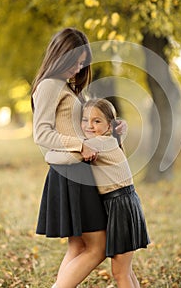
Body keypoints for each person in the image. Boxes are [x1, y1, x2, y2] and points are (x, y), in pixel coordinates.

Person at [31, 28, 127, 288]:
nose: (78, 67)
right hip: (72, 174)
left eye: (82, 62)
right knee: (97, 248)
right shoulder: (50, 85)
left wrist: (111, 132)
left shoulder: (67, 88)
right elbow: (41, 133)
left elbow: (79, 127)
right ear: (59, 55)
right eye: (75, 61)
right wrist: (80, 145)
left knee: (77, 248)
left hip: (78, 172)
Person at [46, 98, 150, 288]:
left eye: (97, 121)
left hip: (121, 208)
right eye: (85, 120)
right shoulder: (108, 140)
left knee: (121, 274)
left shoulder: (99, 144)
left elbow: (58, 157)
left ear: (108, 125)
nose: (89, 125)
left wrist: (47, 153)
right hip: (123, 204)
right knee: (126, 271)